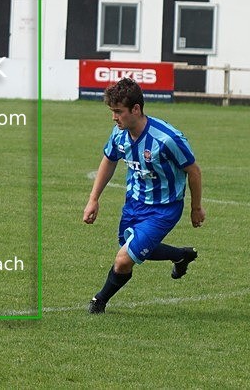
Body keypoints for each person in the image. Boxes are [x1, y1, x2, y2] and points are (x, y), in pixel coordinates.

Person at [83, 78, 205, 314]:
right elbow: (109, 160)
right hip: (134, 203)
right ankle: (181, 256)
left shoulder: (167, 139)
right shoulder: (119, 134)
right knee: (132, 247)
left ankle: (99, 301)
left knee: (123, 259)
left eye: (118, 112)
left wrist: (196, 207)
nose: (114, 117)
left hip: (164, 208)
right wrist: (93, 199)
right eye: (112, 112)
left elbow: (194, 171)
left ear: (136, 109)